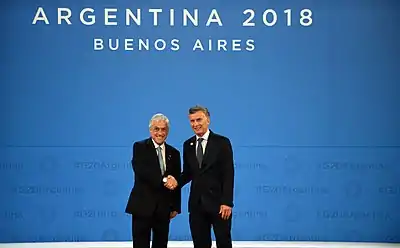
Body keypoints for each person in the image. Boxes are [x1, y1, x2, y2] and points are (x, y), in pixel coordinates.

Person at [178, 105, 235, 248]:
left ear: (208, 120)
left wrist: (227, 202)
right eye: (192, 121)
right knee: (200, 244)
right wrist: (173, 182)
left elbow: (228, 173)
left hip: (219, 205)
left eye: (199, 119)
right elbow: (188, 173)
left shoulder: (222, 142)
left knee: (224, 243)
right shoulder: (188, 145)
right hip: (197, 205)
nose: (195, 124)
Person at [125, 113, 181, 248]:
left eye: (163, 129)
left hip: (163, 208)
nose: (160, 133)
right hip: (142, 206)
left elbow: (176, 179)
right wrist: (164, 180)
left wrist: (175, 206)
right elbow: (142, 172)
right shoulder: (139, 147)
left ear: (167, 131)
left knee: (161, 244)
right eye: (156, 129)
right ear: (150, 130)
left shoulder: (174, 153)